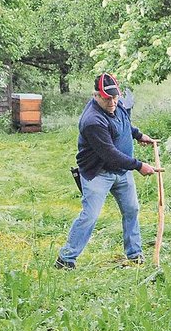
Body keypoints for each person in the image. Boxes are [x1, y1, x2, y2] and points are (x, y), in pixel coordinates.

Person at [56, 73, 158, 269]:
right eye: (106, 98)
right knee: (90, 215)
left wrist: (138, 135)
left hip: (122, 171)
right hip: (98, 173)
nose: (111, 102)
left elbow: (125, 123)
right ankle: (66, 259)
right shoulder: (92, 121)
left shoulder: (116, 103)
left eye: (114, 97)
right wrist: (139, 165)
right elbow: (110, 154)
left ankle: (135, 254)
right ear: (96, 96)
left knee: (132, 209)